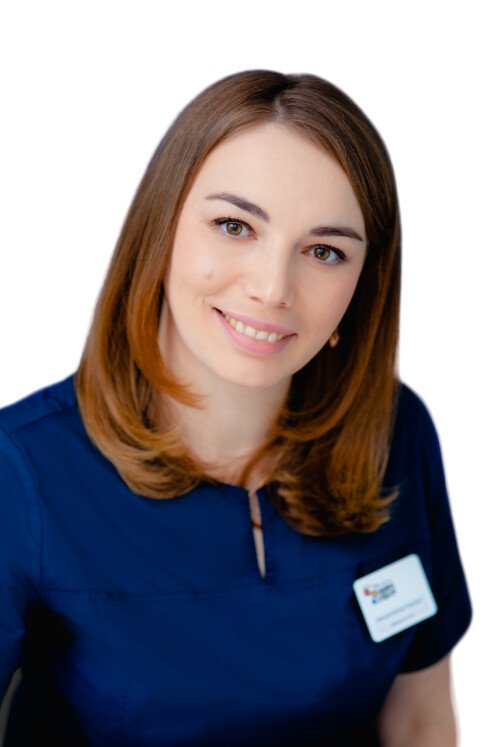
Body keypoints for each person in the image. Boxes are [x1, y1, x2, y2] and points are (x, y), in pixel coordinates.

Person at [0, 69, 471, 746]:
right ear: (161, 229)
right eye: (234, 225)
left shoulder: (394, 435)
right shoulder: (21, 473)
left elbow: (420, 718)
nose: (273, 287)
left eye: (324, 251)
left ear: (363, 285)